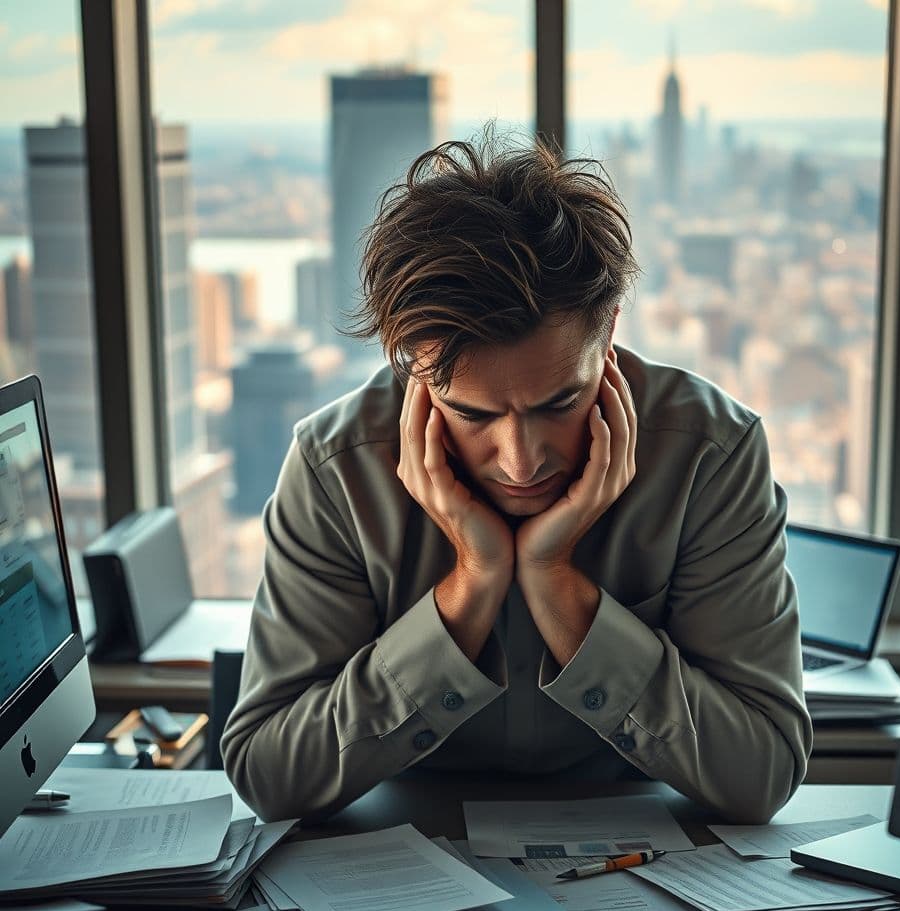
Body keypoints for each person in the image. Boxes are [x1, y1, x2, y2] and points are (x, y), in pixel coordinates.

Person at [222, 136, 812, 824]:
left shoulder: (711, 454)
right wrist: (471, 584)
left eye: (559, 402)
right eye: (472, 413)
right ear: (412, 363)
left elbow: (764, 770)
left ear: (610, 329)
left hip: (640, 854)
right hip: (392, 861)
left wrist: (557, 583)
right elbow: (266, 772)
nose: (520, 461)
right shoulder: (336, 468)